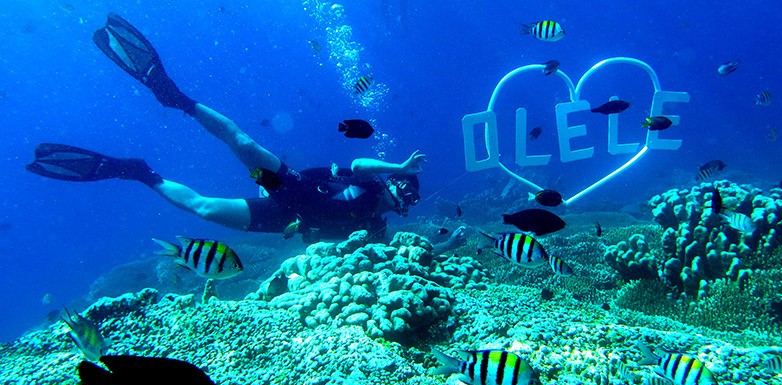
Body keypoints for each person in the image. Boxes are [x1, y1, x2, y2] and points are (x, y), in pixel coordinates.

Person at [27, 14, 465, 251]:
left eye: (409, 200)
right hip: (285, 182)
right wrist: (401, 164)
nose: (404, 202)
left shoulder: (376, 227)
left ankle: (140, 173)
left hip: (283, 217)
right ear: (398, 186)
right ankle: (176, 97)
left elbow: (370, 253)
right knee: (244, 142)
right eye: (406, 192)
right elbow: (358, 163)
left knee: (202, 210)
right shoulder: (374, 179)